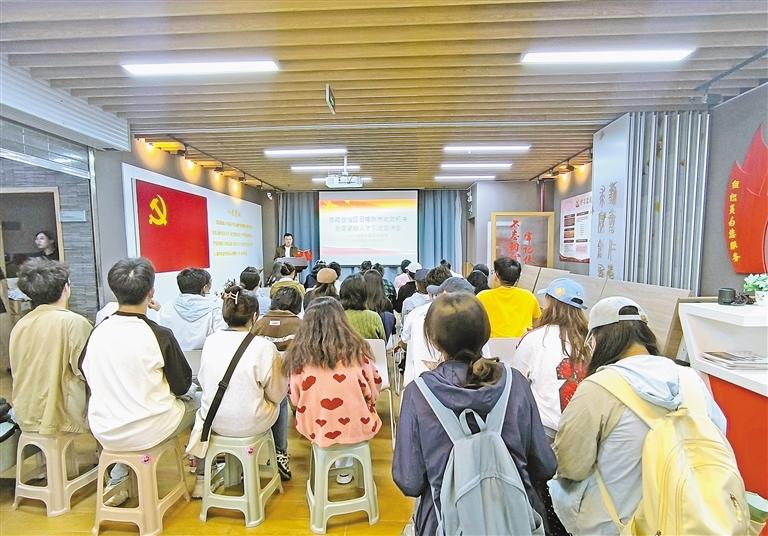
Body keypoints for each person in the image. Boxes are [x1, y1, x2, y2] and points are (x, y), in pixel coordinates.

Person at [548, 297, 727, 535]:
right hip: (689, 521)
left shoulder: (598, 388)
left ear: (596, 340)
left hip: (618, 526)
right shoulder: (691, 379)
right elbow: (718, 435)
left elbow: (572, 466)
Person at [393, 293, 556, 536]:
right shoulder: (515, 383)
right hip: (516, 521)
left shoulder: (419, 394)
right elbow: (545, 466)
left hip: (444, 524)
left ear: (434, 340)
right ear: (485, 334)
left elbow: (410, 481)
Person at [79, 258, 197, 507]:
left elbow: (85, 372)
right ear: (151, 292)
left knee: (129, 411)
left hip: (105, 429)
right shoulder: (159, 335)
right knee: (201, 402)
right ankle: (203, 476)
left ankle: (118, 477)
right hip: (151, 427)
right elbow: (182, 386)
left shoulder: (97, 332)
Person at [193, 284, 288, 493]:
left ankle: (203, 475)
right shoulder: (264, 346)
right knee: (282, 401)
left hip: (214, 421)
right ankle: (280, 454)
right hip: (251, 422)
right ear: (254, 317)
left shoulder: (211, 342)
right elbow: (277, 393)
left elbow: (203, 380)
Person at [283, 297, 383, 484]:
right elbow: (374, 387)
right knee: (354, 413)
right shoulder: (358, 354)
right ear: (342, 321)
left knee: (326, 420)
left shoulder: (299, 359)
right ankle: (346, 467)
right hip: (357, 425)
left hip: (316, 426)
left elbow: (294, 399)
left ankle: (327, 466)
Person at [9, 259, 91, 435]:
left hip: (25, 413)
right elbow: (88, 370)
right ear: (66, 288)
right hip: (60, 417)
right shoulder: (74, 322)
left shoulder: (21, 324)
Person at [511, 278, 589, 441]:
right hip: (580, 431)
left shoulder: (535, 338)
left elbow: (516, 384)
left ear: (551, 303)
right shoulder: (589, 341)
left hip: (543, 429)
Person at [156, 267, 226, 351]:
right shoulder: (216, 309)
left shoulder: (165, 309)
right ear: (204, 288)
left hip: (174, 357)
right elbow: (222, 339)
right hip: (207, 357)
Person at [477, 256, 541, 337]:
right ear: (517, 278)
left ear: (497, 275)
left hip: (492, 343)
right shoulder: (529, 297)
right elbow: (537, 322)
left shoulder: (482, 296)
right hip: (520, 342)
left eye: (493, 272)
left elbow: (474, 322)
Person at [339, 273, 385, 340]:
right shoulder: (374, 317)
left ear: (342, 294)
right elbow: (383, 342)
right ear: (365, 294)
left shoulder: (337, 317)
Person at [363, 269, 396, 341]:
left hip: (362, 342)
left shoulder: (360, 302)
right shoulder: (387, 303)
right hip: (382, 343)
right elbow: (392, 327)